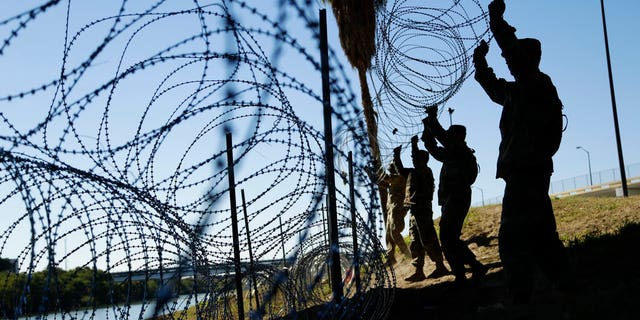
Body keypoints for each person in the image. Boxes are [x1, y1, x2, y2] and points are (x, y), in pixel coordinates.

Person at [473, 0, 573, 304]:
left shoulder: (537, 84)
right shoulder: (519, 92)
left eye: (518, 58)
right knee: (542, 235)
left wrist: (497, 23)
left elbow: (513, 55)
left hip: (529, 170)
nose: (512, 62)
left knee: (512, 237)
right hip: (528, 170)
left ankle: (520, 295)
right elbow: (493, 88)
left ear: (532, 59)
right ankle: (564, 284)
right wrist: (480, 64)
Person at [421, 105, 488, 286]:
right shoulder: (453, 153)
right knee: (449, 238)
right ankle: (470, 269)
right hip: (452, 199)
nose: (447, 137)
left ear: (458, 137)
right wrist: (427, 127)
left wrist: (432, 118)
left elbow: (441, 138)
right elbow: (433, 148)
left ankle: (467, 271)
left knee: (448, 238)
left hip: (457, 197)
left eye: (450, 135)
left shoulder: (459, 151)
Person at [393, 136, 449, 282]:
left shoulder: (425, 171)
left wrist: (413, 144)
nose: (413, 159)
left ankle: (440, 266)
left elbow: (416, 158)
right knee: (415, 241)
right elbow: (399, 169)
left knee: (428, 238)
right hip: (413, 210)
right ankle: (419, 271)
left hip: (422, 209)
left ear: (422, 160)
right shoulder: (412, 172)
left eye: (415, 157)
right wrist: (396, 156)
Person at [377, 163, 411, 265]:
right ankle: (391, 258)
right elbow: (381, 182)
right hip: (391, 211)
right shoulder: (392, 181)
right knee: (388, 235)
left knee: (395, 233)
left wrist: (377, 169)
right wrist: (370, 174)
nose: (389, 167)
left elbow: (385, 178)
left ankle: (409, 255)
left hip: (397, 210)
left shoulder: (399, 178)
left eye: (391, 166)